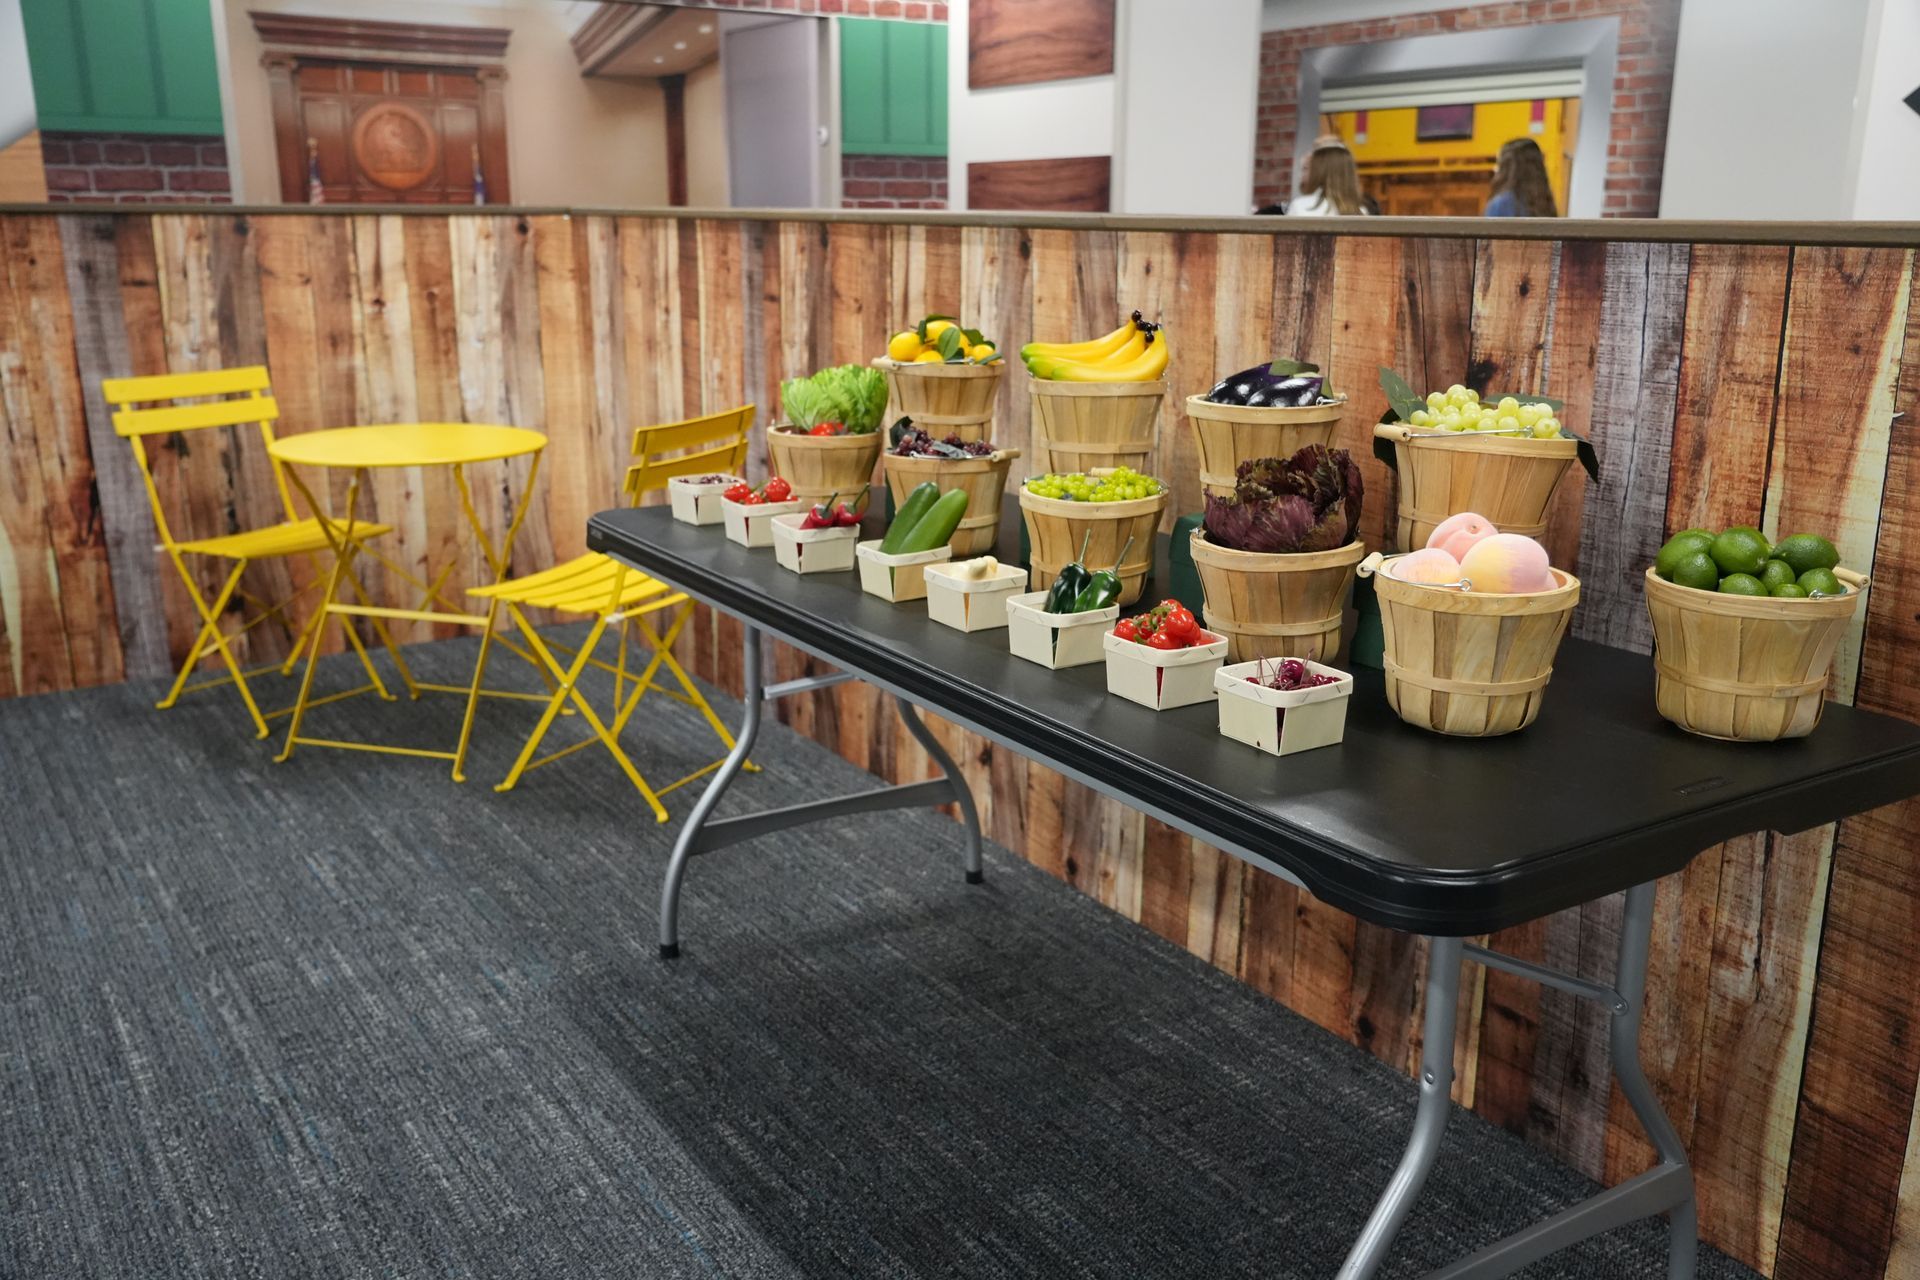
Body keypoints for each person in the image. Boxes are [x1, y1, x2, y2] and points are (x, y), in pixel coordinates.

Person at [1286, 137, 1368, 217]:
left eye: (1306, 168)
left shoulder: (1300, 207)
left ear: (1318, 171)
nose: (1301, 175)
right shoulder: (1362, 211)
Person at [1484, 138, 1558, 217]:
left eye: (1499, 163)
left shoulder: (1499, 204)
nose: (1495, 168)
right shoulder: (1545, 204)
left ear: (1508, 167)